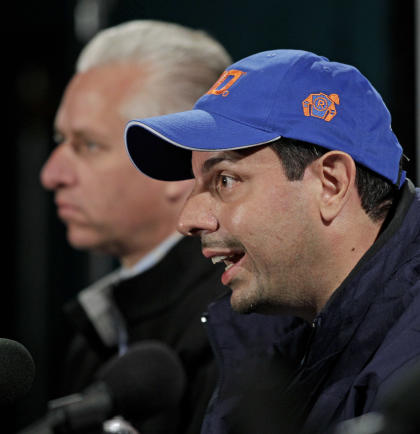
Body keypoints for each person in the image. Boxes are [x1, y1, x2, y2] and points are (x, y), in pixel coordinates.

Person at [124, 49, 420, 433]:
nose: (188, 220)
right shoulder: (274, 336)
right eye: (195, 184)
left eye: (225, 181)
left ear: (332, 184)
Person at [40, 20, 231, 434]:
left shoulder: (234, 331)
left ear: (179, 165)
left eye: (88, 145)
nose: (51, 174)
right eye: (60, 142)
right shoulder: (91, 331)